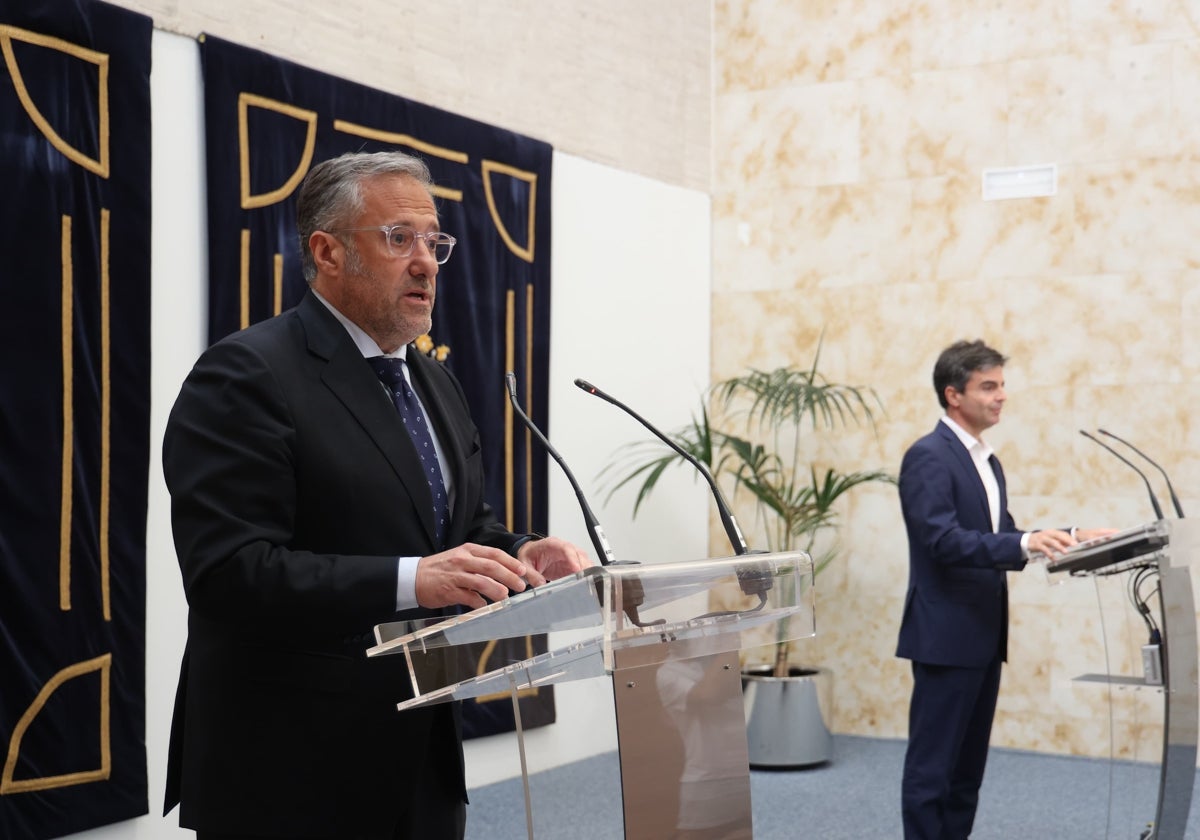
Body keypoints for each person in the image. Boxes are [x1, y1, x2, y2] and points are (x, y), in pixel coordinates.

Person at [161, 150, 591, 840]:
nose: (425, 262)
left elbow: (454, 527)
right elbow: (229, 572)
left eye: (434, 242)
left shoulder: (432, 382)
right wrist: (414, 582)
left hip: (418, 753)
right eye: (399, 239)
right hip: (288, 769)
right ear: (327, 252)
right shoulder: (247, 374)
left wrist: (517, 551)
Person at [895, 339, 1112, 840]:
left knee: (967, 772)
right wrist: (1024, 541)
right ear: (954, 395)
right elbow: (942, 540)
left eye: (1002, 385)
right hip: (945, 635)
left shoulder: (987, 463)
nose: (1001, 397)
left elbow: (1003, 539)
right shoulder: (928, 456)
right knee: (933, 770)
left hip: (984, 636)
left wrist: (1074, 537)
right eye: (988, 386)